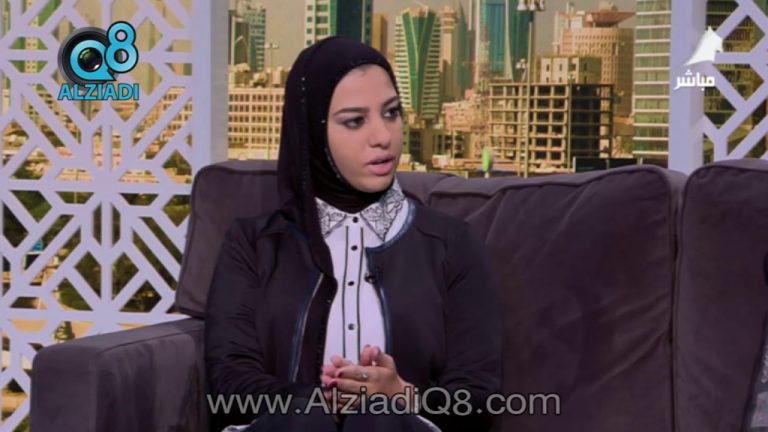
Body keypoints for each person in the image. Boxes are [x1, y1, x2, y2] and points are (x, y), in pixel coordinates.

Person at [204, 36, 501, 432]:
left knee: (378, 419)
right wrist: (321, 402)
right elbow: (229, 383)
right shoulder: (253, 245)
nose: (383, 136)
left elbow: (478, 397)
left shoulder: (451, 244)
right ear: (312, 133)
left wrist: (404, 396)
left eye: (391, 113)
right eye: (355, 121)